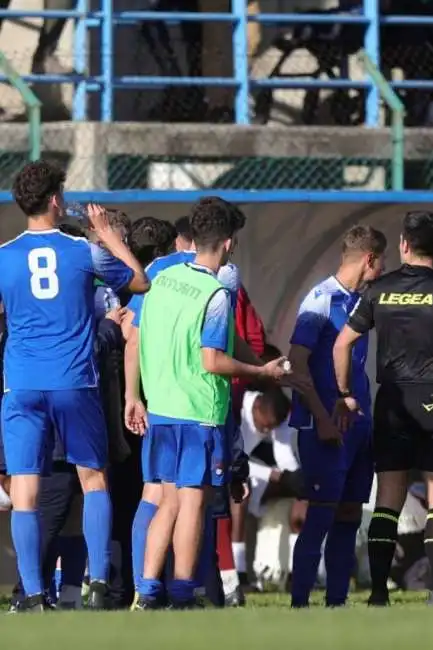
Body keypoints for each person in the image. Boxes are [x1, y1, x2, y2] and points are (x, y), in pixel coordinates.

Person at [0, 161, 150, 612]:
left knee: (25, 490)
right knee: (93, 478)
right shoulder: (83, 251)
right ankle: (100, 583)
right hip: (73, 380)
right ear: (54, 200)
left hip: (21, 384)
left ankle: (31, 593)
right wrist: (109, 235)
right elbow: (139, 281)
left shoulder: (3, 254)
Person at [130, 198, 287, 609]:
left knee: (166, 501)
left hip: (162, 408)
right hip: (198, 413)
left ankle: (147, 592)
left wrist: (261, 364)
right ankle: (182, 592)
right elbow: (213, 360)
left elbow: (138, 333)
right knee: (193, 503)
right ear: (230, 243)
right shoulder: (216, 293)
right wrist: (261, 375)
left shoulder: (163, 279)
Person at [333, 210, 433, 606]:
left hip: (393, 400)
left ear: (404, 244)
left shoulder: (378, 290)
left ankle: (376, 593)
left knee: (389, 495)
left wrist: (344, 393)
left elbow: (342, 344)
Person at [287, 225, 387, 608]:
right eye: (382, 263)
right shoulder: (320, 300)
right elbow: (297, 364)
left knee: (349, 513)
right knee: (322, 514)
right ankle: (299, 603)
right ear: (370, 260)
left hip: (357, 423)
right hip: (325, 424)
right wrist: (322, 416)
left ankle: (337, 601)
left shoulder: (358, 300)